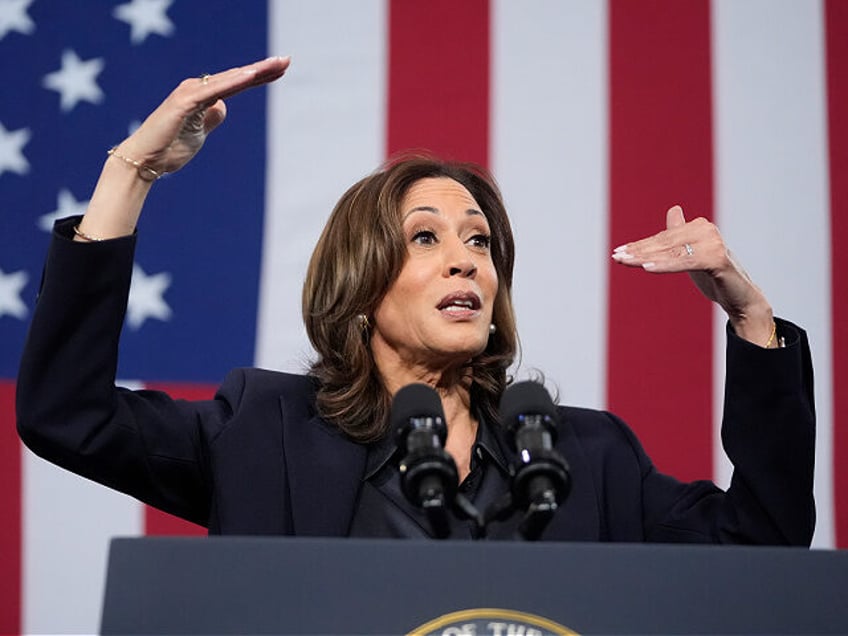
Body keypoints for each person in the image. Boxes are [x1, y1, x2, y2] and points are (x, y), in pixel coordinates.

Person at [16, 57, 815, 543]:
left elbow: (762, 542)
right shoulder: (261, 432)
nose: (467, 262)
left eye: (480, 242)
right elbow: (65, 415)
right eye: (426, 238)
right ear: (360, 289)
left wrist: (751, 322)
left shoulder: (587, 458)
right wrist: (131, 174)